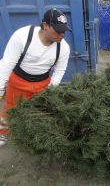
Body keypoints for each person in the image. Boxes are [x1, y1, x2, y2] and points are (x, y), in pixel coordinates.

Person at [0, 8, 71, 147]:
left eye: (64, 31)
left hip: (43, 84)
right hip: (18, 81)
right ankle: (3, 134)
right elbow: (6, 65)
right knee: (9, 110)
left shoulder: (64, 48)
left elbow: (59, 72)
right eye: (58, 30)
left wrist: (49, 91)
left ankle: (35, 135)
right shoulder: (22, 36)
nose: (62, 35)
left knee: (41, 111)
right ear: (45, 26)